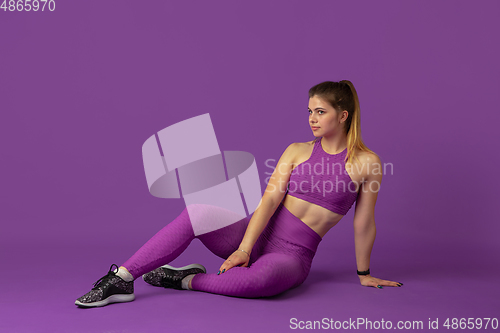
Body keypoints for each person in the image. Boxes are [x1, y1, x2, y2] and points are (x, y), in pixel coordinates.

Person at [75, 80, 403, 308]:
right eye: (309, 111)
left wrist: (364, 274)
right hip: (251, 236)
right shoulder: (297, 151)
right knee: (198, 212)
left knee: (258, 283)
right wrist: (245, 247)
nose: (312, 119)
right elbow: (270, 201)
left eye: (320, 112)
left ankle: (187, 280)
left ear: (343, 115)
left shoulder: (367, 164)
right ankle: (123, 278)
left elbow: (364, 222)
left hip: (291, 256)